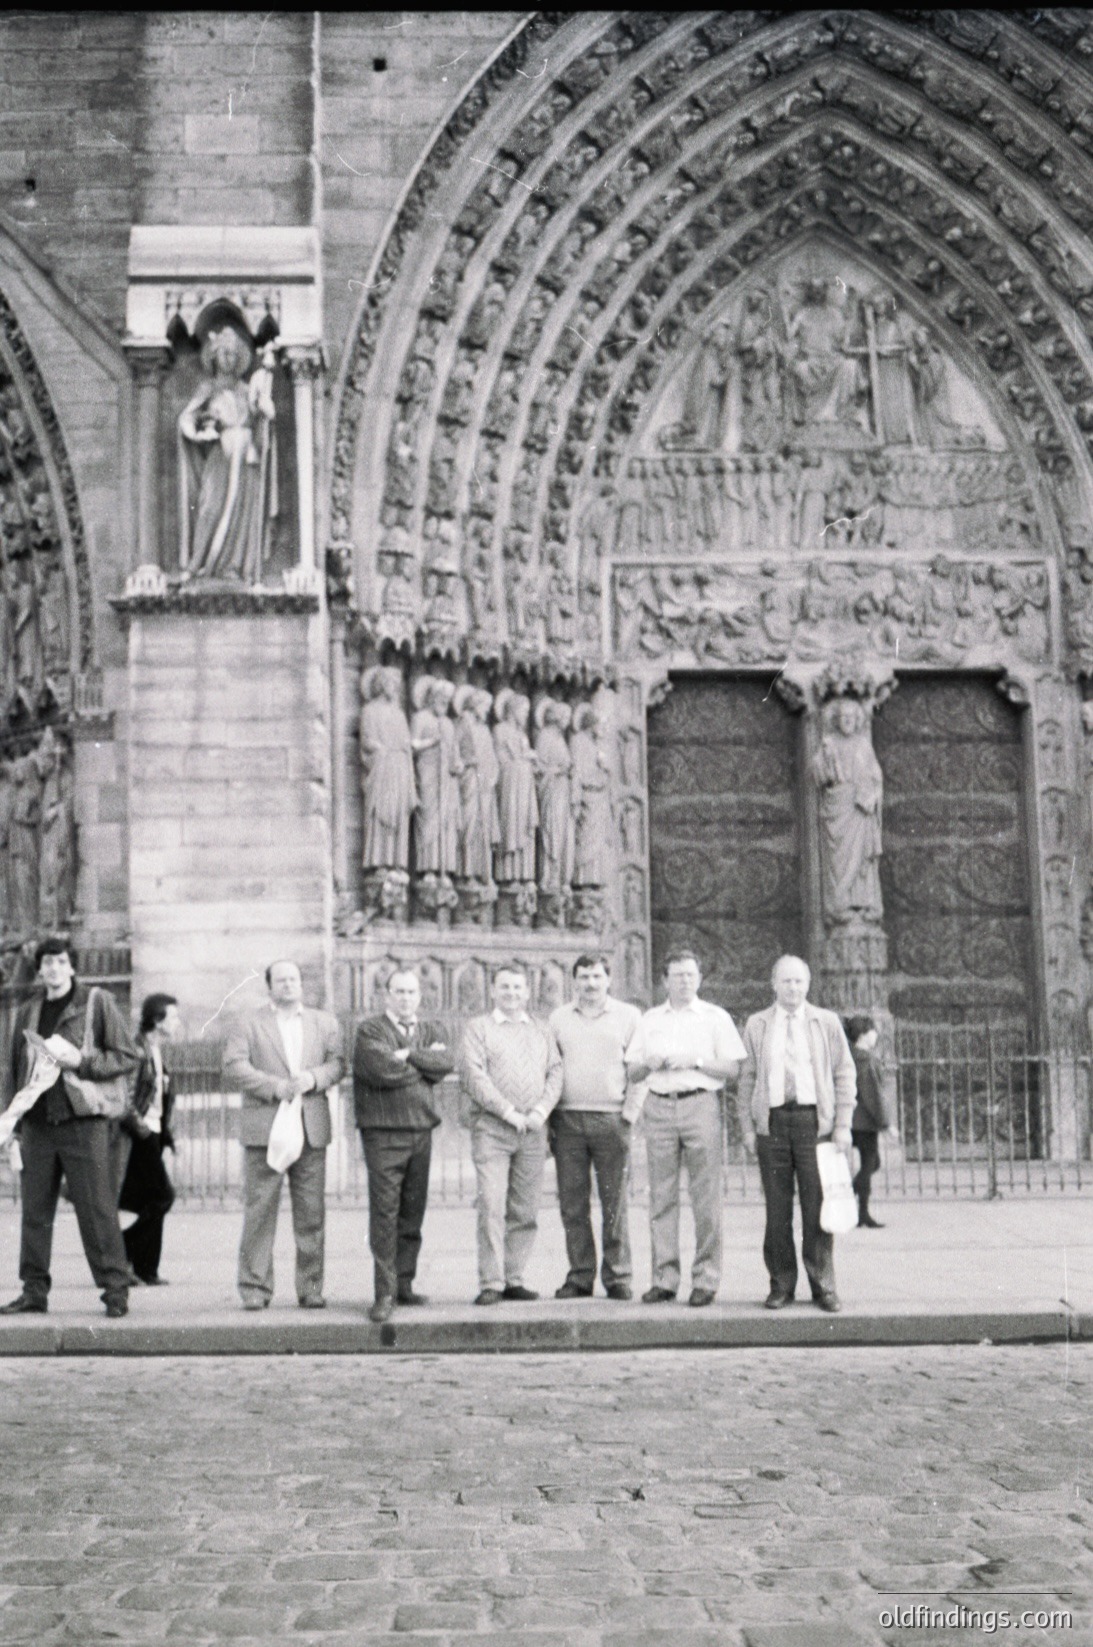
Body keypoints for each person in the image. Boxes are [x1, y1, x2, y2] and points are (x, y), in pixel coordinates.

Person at [0, 936, 138, 1318]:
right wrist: (11, 1122)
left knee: (97, 1210)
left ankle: (115, 1291)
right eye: (46, 963)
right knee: (35, 1213)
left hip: (84, 1123)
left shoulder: (95, 1002)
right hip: (38, 1126)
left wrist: (83, 1061)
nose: (53, 969)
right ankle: (33, 1291)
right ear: (40, 969)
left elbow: (127, 1055)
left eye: (60, 961)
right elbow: (12, 1071)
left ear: (72, 966)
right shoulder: (28, 1011)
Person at [624, 950, 745, 1307]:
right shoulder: (649, 1019)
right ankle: (664, 1278)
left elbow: (733, 1069)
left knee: (706, 1197)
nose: (684, 981)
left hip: (699, 1103)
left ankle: (706, 1279)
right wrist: (648, 1063)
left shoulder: (715, 1017)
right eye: (677, 976)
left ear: (700, 978)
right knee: (661, 1196)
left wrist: (696, 1060)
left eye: (690, 975)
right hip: (659, 1105)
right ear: (665, 980)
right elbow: (631, 1073)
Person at [222, 960, 345, 1311]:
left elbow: (338, 1063)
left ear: (301, 984)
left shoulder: (324, 1023)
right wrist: (274, 1087)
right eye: (281, 980)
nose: (288, 985)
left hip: (310, 1128)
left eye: (293, 979)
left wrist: (315, 1078)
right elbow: (234, 1065)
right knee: (260, 1211)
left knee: (311, 1213)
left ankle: (310, 1288)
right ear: (269, 986)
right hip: (266, 1128)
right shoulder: (249, 1022)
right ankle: (255, 1288)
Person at [737, 955, 857, 1314]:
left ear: (808, 985)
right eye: (786, 981)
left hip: (812, 1124)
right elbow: (746, 1078)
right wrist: (747, 1126)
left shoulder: (826, 1022)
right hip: (772, 1123)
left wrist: (843, 1124)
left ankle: (823, 1286)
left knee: (816, 1207)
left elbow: (843, 1073)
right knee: (777, 1211)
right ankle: (781, 1285)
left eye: (799, 982)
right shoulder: (757, 1024)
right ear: (774, 984)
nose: (793, 988)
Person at [351, 969, 456, 1323]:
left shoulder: (431, 1029)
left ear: (419, 996)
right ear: (387, 995)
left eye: (411, 992)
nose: (406, 998)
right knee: (385, 1214)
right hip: (383, 1132)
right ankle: (384, 1293)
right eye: (399, 992)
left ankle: (404, 1284)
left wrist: (407, 1054)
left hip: (420, 1130)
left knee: (413, 1211)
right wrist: (422, 1062)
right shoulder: (370, 1029)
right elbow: (380, 1070)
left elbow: (445, 1064)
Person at [461, 961, 562, 1305]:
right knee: (491, 1202)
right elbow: (474, 1076)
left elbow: (555, 1072)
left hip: (533, 1131)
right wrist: (507, 1111)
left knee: (526, 1207)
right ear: (493, 990)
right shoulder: (478, 1028)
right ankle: (491, 1281)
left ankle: (514, 1276)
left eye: (518, 987)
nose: (512, 993)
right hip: (492, 1129)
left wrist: (538, 1112)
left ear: (528, 991)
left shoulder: (542, 1029)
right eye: (505, 987)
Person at [548, 953, 642, 1300]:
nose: (590, 983)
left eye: (597, 976)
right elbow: (550, 1067)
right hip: (568, 1119)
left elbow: (640, 1068)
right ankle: (580, 1275)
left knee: (613, 1202)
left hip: (611, 1119)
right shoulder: (558, 1018)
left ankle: (618, 1276)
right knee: (573, 1204)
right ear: (574, 981)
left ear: (609, 979)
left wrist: (629, 1113)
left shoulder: (629, 1016)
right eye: (584, 977)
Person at [118, 993, 182, 1286]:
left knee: (150, 1199)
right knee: (162, 1196)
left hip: (153, 1132)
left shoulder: (155, 1048)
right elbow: (126, 1097)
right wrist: (142, 1129)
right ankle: (120, 1249)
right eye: (173, 1017)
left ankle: (145, 1269)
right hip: (140, 1133)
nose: (178, 1022)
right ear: (157, 1020)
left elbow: (159, 1097)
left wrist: (166, 1136)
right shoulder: (137, 1049)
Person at [843, 1013, 899, 1229]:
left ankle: (858, 1207)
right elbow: (873, 1094)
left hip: (852, 1119)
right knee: (870, 1163)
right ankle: (858, 1208)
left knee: (872, 1163)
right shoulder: (866, 1060)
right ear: (864, 1035)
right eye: (873, 1031)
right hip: (864, 1121)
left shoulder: (851, 1056)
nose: (876, 1035)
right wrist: (886, 1124)